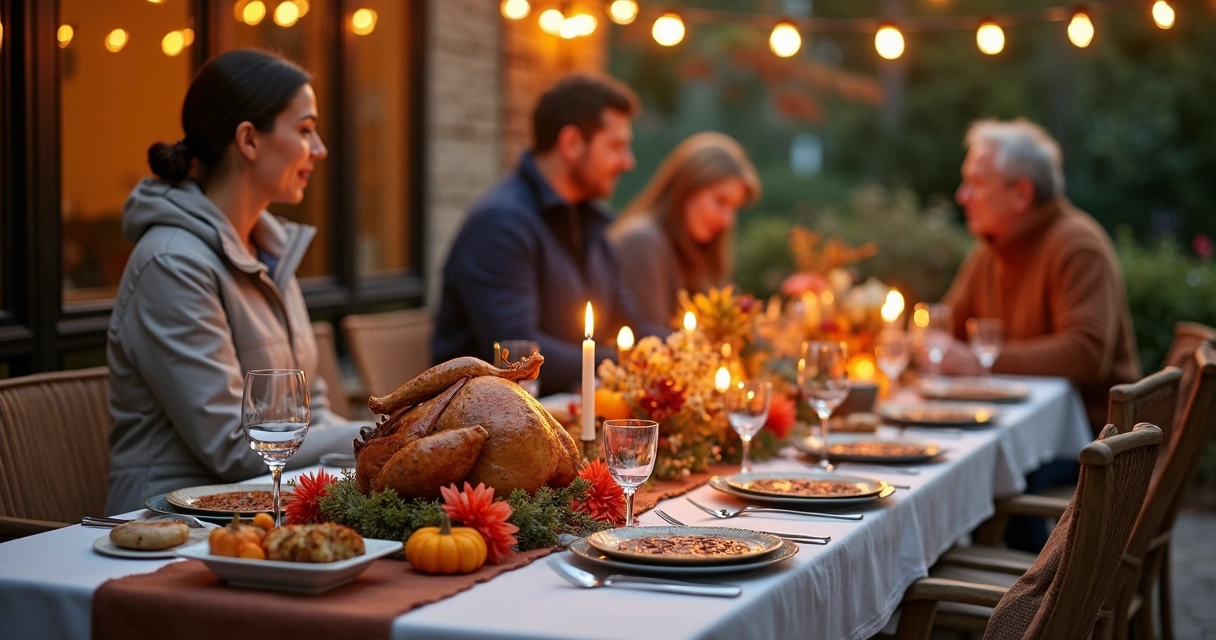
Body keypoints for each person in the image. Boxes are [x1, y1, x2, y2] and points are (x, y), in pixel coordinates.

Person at [105, 49, 364, 514]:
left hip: (265, 507)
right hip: (168, 522)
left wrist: (386, 442)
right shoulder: (170, 264)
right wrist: (383, 432)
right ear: (248, 140)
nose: (320, 148)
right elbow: (233, 445)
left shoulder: (272, 253)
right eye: (305, 130)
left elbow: (313, 411)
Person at [432, 74, 666, 395]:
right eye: (616, 146)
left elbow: (629, 325)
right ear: (571, 143)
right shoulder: (500, 225)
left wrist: (681, 347)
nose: (628, 162)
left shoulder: (589, 222)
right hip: (486, 425)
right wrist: (627, 363)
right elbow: (518, 356)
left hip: (564, 412)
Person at [939, 118, 1141, 435]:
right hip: (1016, 426)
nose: (962, 196)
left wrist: (980, 361)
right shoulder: (990, 249)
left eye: (976, 183)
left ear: (1021, 193)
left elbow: (1085, 354)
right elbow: (945, 327)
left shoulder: (1077, 245)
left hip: (1091, 443)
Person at [608, 132, 761, 327]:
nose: (728, 220)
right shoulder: (642, 242)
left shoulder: (698, 252)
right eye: (720, 201)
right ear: (686, 188)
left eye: (734, 208)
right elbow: (650, 343)